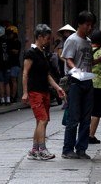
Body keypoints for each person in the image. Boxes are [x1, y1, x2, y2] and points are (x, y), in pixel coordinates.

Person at [21, 24, 67, 160]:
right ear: (39, 37)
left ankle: (34, 150)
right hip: (34, 91)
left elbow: (47, 75)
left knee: (42, 121)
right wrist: (25, 92)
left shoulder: (43, 53)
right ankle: (42, 149)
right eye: (47, 38)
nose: (48, 41)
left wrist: (58, 87)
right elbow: (25, 73)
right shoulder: (30, 53)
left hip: (45, 91)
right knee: (42, 119)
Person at [61, 11, 96, 159]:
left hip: (87, 80)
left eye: (91, 25)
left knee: (86, 118)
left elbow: (88, 61)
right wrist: (75, 69)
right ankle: (67, 149)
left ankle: (81, 148)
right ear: (80, 24)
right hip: (75, 81)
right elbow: (68, 59)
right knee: (74, 117)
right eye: (87, 25)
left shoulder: (88, 42)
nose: (89, 28)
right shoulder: (72, 40)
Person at [88, 29, 101, 145]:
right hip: (98, 85)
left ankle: (84, 133)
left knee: (87, 111)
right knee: (96, 112)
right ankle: (91, 135)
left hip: (86, 84)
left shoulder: (86, 51)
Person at [6, 25, 22, 102]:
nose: (9, 35)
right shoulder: (8, 42)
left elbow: (16, 51)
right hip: (10, 64)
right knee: (10, 80)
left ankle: (13, 96)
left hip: (15, 64)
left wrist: (10, 50)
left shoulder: (17, 42)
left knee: (13, 80)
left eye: (10, 34)